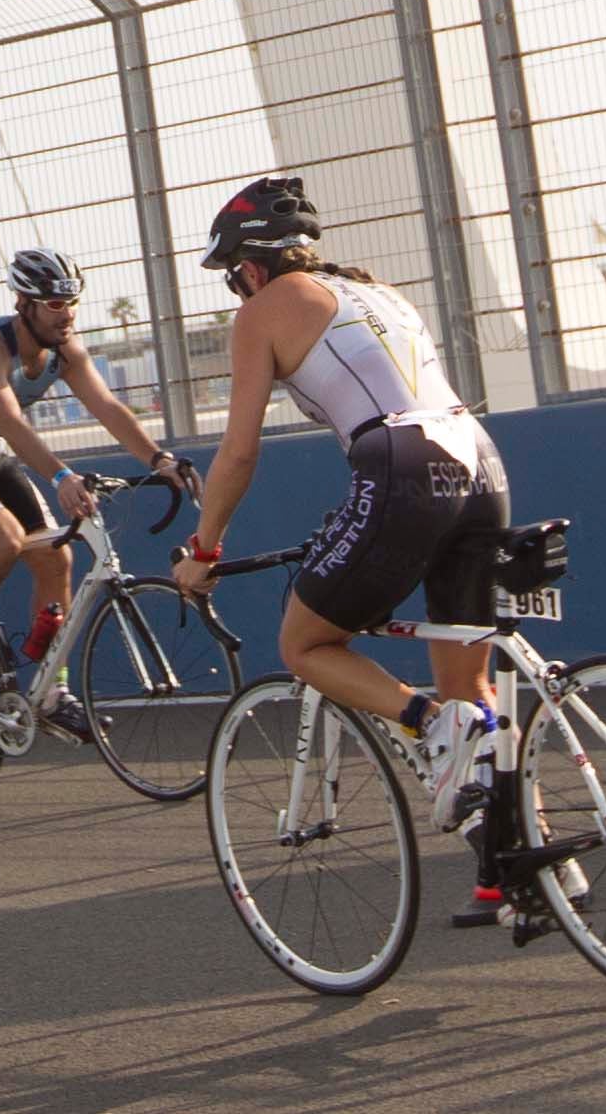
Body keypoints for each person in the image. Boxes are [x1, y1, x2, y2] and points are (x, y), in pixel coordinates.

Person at [173, 175, 509, 842]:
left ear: (248, 267)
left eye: (232, 278)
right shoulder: (378, 290)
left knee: (306, 642)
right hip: (480, 460)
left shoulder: (263, 309)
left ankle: (427, 720)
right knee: (473, 690)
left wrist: (204, 549)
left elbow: (238, 453)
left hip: (407, 464)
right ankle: (525, 868)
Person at [0, 248, 190, 715]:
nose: (67, 314)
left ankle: (53, 690)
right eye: (54, 304)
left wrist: (159, 459)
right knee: (5, 540)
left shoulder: (65, 351)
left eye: (72, 301)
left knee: (57, 559)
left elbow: (107, 407)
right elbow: (9, 420)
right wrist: (62, 476)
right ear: (24, 304)